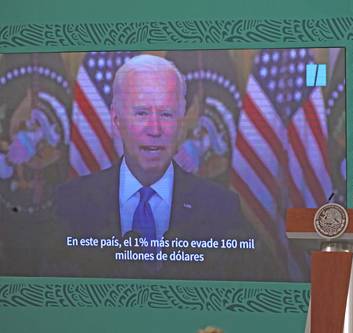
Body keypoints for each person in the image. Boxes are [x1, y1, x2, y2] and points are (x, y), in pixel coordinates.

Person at [50, 55, 264, 280]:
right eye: (142, 113)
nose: (155, 129)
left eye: (166, 114)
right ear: (116, 120)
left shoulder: (222, 208)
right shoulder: (70, 203)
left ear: (181, 121)